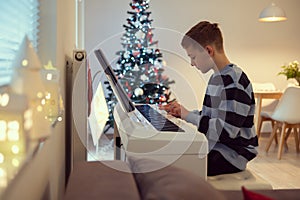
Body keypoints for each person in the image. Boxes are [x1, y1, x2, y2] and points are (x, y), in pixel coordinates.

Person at [160, 21, 258, 176]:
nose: (192, 64)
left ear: (208, 50)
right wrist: (183, 113)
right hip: (218, 147)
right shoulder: (217, 78)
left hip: (231, 155)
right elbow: (212, 118)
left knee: (176, 166)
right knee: (168, 155)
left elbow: (226, 132)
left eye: (193, 57)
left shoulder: (234, 80)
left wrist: (188, 115)